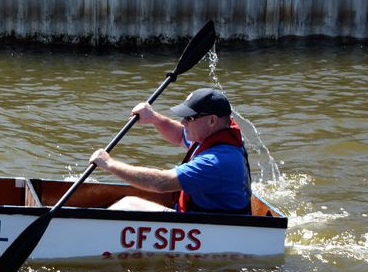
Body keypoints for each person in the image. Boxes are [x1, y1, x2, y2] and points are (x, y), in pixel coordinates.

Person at [89, 87, 252, 213]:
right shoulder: (216, 135)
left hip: (213, 229)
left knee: (126, 205)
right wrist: (153, 118)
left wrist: (109, 164)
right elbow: (180, 135)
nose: (183, 122)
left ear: (211, 120)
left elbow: (161, 182)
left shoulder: (216, 161)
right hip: (202, 216)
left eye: (190, 117)